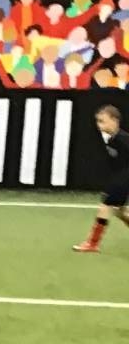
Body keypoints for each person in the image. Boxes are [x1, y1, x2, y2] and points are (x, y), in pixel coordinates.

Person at [73, 104, 129, 253]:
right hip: (120, 177)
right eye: (98, 121)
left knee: (105, 206)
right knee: (120, 212)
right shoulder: (110, 138)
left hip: (124, 179)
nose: (99, 125)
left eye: (102, 121)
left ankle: (92, 243)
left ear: (114, 120)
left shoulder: (123, 139)